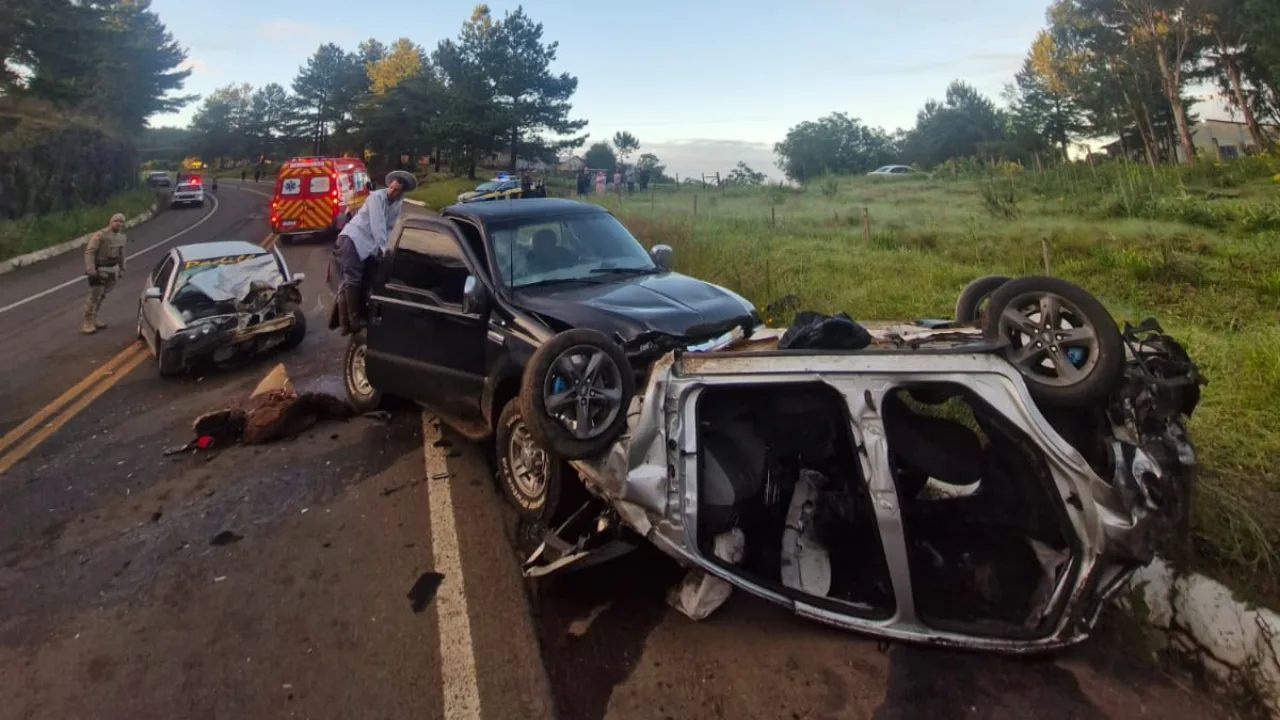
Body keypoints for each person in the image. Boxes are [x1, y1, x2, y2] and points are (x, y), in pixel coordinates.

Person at [332, 170, 417, 335]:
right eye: (391, 188)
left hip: (366, 244)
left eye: (397, 190)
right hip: (353, 238)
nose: (392, 192)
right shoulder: (376, 198)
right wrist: (386, 251)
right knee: (352, 278)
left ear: (402, 191)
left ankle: (345, 323)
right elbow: (377, 226)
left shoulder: (397, 204)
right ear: (388, 185)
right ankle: (353, 319)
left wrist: (392, 246)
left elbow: (391, 227)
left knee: (350, 280)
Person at [81, 213, 128, 335]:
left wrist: (123, 268)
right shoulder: (100, 235)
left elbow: (122, 253)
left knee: (102, 295)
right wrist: (90, 268)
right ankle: (87, 322)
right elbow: (90, 252)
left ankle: (95, 318)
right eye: (116, 221)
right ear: (111, 222)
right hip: (101, 268)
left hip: (113, 269)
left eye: (121, 221)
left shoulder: (121, 237)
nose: (118, 223)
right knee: (94, 296)